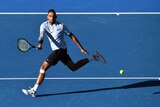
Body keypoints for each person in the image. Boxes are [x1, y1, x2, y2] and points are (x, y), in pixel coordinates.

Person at [22, 9, 106, 97]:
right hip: (62, 51)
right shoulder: (43, 25)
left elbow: (72, 36)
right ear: (47, 17)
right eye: (50, 16)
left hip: (59, 51)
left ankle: (33, 90)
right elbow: (41, 36)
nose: (52, 18)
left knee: (43, 68)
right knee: (73, 67)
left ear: (56, 17)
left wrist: (81, 48)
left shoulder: (61, 26)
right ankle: (93, 57)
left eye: (53, 16)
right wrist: (40, 44)